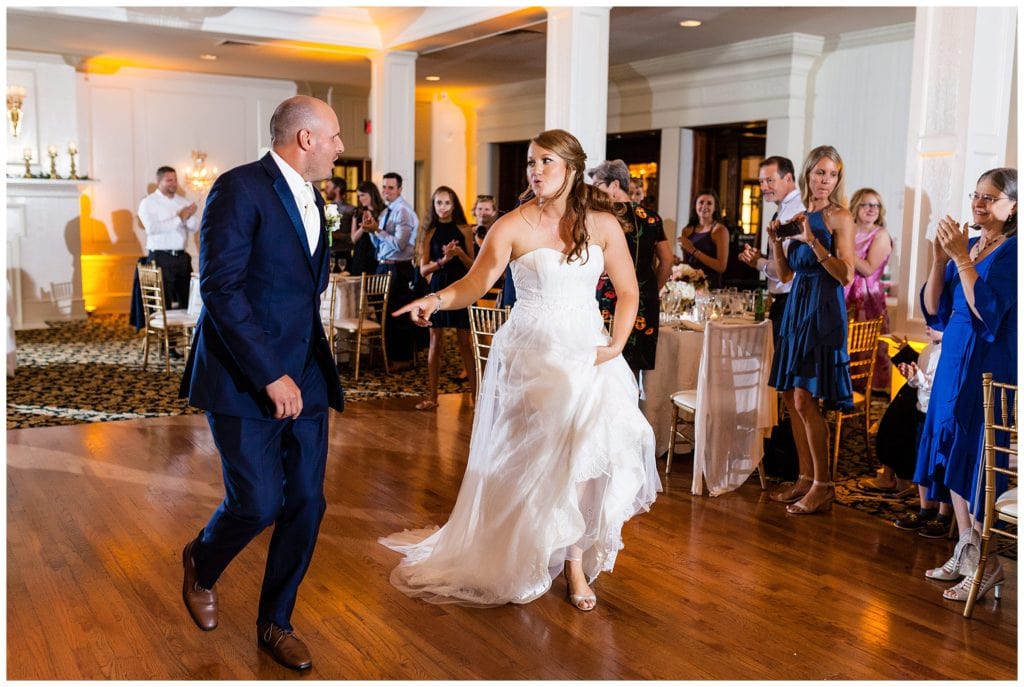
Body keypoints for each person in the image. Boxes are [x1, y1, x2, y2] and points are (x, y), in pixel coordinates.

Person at [380, 129, 661, 611]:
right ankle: (525, 548)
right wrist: (436, 297)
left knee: (590, 458)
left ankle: (574, 560)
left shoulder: (604, 225)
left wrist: (615, 345)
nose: (535, 170)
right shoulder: (511, 225)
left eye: (545, 161)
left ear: (571, 168)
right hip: (533, 353)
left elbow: (630, 291)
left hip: (589, 353)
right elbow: (474, 283)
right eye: (531, 162)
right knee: (539, 459)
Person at [178, 95, 345, 671]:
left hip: (307, 375)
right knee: (257, 502)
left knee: (306, 502)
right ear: (304, 139)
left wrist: (297, 371)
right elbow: (219, 289)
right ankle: (201, 561)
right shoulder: (238, 188)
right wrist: (269, 373)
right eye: (335, 137)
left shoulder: (315, 199)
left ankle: (276, 622)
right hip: (243, 376)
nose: (340, 148)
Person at [914, 167, 1017, 602]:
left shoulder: (1014, 252)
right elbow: (935, 310)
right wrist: (941, 259)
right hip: (954, 360)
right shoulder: (972, 246)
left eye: (990, 198)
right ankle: (966, 548)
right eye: (976, 195)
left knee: (975, 457)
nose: (979, 203)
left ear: (1014, 207)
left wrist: (961, 258)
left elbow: (988, 310)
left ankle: (986, 560)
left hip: (987, 364)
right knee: (950, 448)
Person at [766, 145, 855, 515]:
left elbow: (845, 274)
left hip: (823, 310)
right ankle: (804, 477)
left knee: (806, 399)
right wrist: (776, 241)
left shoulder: (840, 217)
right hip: (797, 306)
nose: (825, 180)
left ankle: (824, 485)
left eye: (832, 174)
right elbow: (785, 274)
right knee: (790, 398)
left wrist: (813, 240)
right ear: (808, 174)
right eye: (820, 173)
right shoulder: (802, 214)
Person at [588, 158, 673, 377]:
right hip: (644, 299)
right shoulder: (652, 219)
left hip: (607, 296)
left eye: (598, 185)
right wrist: (653, 287)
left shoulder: (601, 218)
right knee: (633, 369)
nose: (594, 192)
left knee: (603, 365)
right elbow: (667, 260)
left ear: (614, 185)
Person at [886, 327, 952, 538]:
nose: (927, 326)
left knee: (939, 466)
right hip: (922, 413)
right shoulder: (925, 350)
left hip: (940, 416)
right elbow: (920, 385)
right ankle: (925, 508)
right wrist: (913, 376)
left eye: (934, 324)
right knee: (921, 462)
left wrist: (920, 378)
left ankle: (943, 514)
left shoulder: (949, 351)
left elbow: (939, 386)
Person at [414, 186, 477, 410]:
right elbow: (423, 270)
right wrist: (444, 259)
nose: (442, 208)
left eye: (447, 203)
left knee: (465, 344)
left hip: (462, 287)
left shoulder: (464, 229)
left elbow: (473, 267)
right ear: (434, 205)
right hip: (438, 288)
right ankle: (432, 397)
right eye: (439, 203)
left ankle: (476, 398)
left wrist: (459, 254)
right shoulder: (428, 232)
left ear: (454, 204)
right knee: (435, 343)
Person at [738, 156, 803, 344]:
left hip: (790, 302)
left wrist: (757, 262)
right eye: (761, 182)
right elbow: (781, 257)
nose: (764, 187)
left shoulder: (794, 212)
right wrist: (761, 257)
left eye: (770, 180)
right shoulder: (784, 208)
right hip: (783, 301)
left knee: (779, 366)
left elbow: (788, 270)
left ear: (788, 178)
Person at [360, 172, 419, 366]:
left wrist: (377, 230)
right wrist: (371, 230)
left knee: (397, 315)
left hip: (398, 268)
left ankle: (402, 358)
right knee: (383, 314)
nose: (386, 191)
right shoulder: (386, 211)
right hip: (383, 265)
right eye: (384, 187)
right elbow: (380, 243)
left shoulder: (402, 211)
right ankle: (388, 355)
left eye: (391, 188)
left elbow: (400, 244)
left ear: (400, 189)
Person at [844, 187, 893, 395]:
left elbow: (868, 268)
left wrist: (843, 247)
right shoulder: (847, 232)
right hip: (843, 298)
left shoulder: (880, 235)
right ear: (856, 207)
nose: (872, 209)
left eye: (876, 205)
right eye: (866, 204)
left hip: (867, 302)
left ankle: (865, 409)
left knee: (863, 355)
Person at [138, 165, 199, 310]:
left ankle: (187, 331)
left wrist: (188, 216)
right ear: (159, 182)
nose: (174, 183)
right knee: (162, 303)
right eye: (169, 180)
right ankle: (164, 331)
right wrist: (179, 218)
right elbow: (152, 229)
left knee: (187, 299)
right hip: (160, 257)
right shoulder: (148, 202)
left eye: (175, 180)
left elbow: (195, 227)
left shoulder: (182, 202)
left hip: (182, 257)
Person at [679, 189, 729, 289]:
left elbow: (721, 267)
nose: (704, 206)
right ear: (695, 206)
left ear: (715, 208)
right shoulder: (686, 230)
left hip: (711, 287)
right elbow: (687, 263)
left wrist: (693, 250)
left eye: (709, 203)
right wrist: (677, 263)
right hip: (689, 288)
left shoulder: (719, 230)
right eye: (701, 202)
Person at [348, 181, 383, 276]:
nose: (360, 199)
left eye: (362, 195)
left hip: (377, 254)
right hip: (360, 255)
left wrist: (373, 226)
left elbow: (383, 234)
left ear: (371, 194)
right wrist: (363, 227)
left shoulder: (383, 211)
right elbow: (353, 239)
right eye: (358, 196)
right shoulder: (357, 212)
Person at [324, 176, 358, 270]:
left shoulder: (351, 210)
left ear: (337, 189)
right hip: (329, 256)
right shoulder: (328, 208)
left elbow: (355, 237)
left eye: (328, 187)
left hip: (344, 255)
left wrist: (339, 236)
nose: (325, 190)